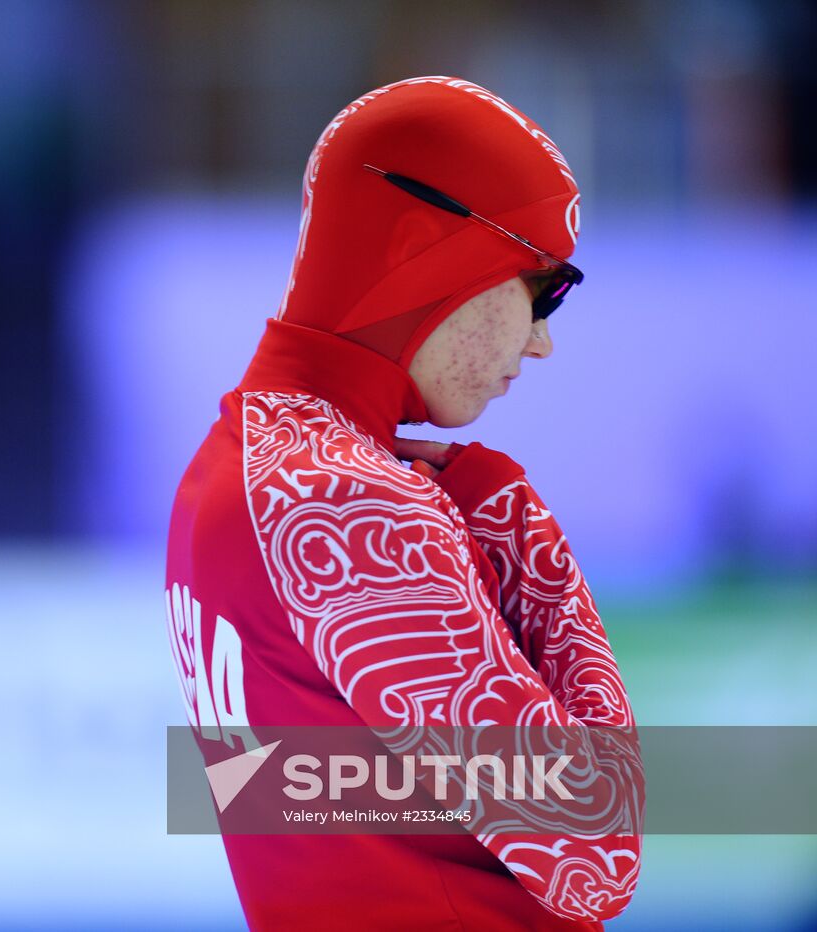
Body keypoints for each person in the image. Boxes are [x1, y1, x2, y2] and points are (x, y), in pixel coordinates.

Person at [164, 77, 643, 930]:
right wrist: (528, 544)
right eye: (543, 287)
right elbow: (594, 849)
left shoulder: (234, 464)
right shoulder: (344, 503)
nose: (542, 341)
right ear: (431, 246)